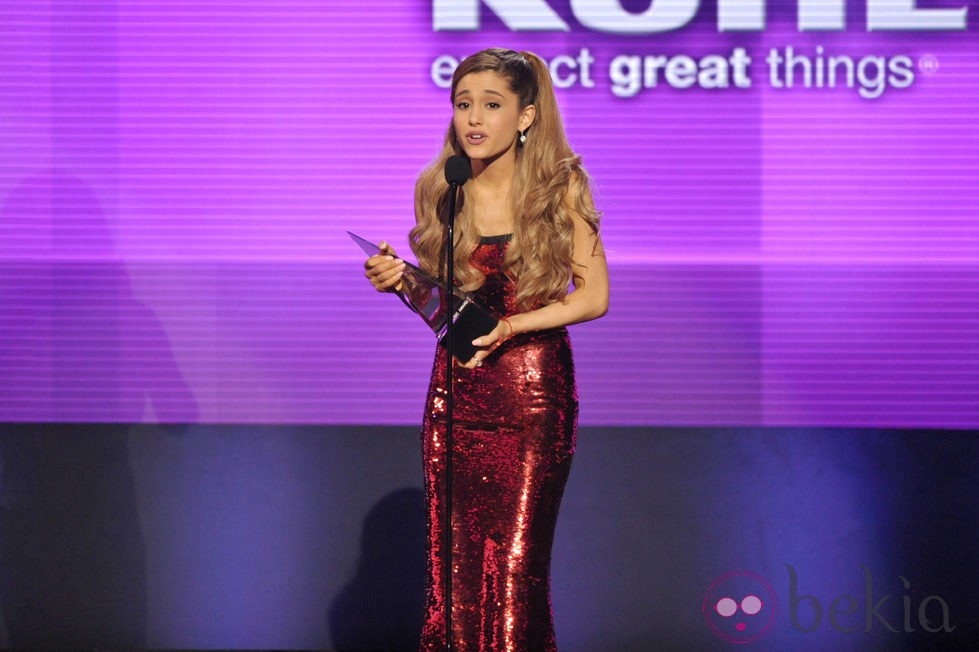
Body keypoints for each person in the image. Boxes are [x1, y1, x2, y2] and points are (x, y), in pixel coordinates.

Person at [364, 48, 608, 651]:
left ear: (526, 116)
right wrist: (404, 284)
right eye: (463, 104)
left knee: (516, 563)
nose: (473, 118)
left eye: (491, 106)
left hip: (531, 395)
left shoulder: (560, 186)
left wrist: (515, 328)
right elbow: (453, 318)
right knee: (456, 570)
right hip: (456, 393)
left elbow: (594, 296)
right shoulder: (442, 189)